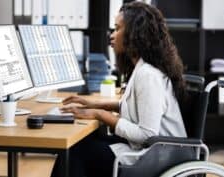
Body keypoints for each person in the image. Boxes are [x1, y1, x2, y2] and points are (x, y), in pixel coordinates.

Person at [52, 1, 187, 177]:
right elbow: (131, 107)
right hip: (148, 152)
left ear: (135, 34)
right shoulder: (141, 68)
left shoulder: (148, 75)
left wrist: (99, 114)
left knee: (76, 154)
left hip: (158, 158)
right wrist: (91, 105)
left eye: (117, 29)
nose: (112, 35)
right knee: (79, 146)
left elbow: (147, 134)